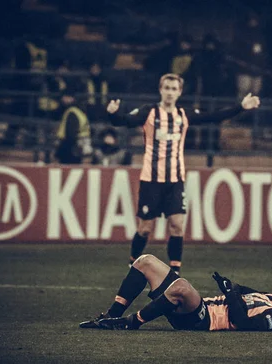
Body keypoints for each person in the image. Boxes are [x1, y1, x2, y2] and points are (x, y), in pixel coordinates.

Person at [106, 73, 260, 274]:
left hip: (175, 181)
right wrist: (113, 114)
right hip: (151, 180)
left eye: (173, 89)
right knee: (145, 228)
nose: (170, 92)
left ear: (179, 92)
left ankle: (175, 270)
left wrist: (241, 107)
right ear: (160, 90)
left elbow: (212, 117)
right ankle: (133, 262)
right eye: (166, 88)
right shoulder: (149, 112)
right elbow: (125, 121)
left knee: (177, 225)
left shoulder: (184, 115)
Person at [79, 254, 272, 332]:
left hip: (203, 318)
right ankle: (109, 316)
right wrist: (230, 286)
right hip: (199, 307)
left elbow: (242, 322)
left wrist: (230, 292)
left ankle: (131, 323)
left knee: (182, 286)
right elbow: (239, 290)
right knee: (145, 261)